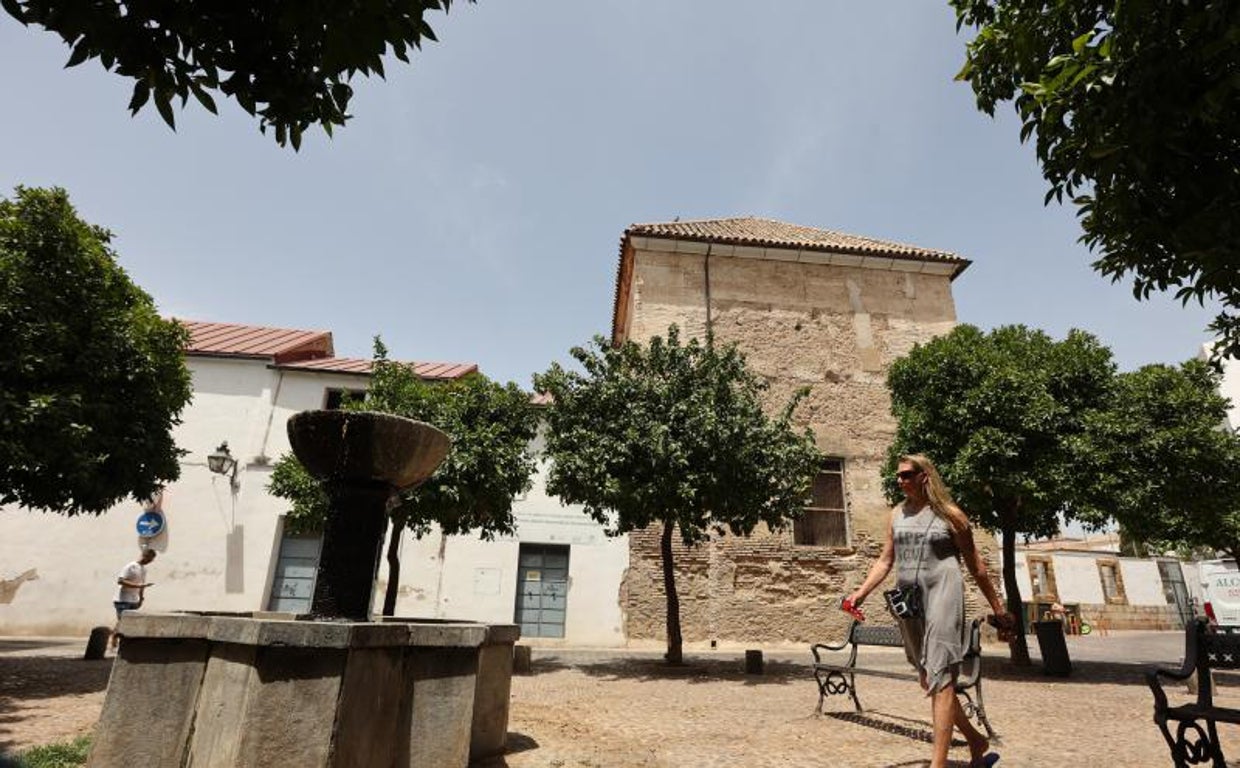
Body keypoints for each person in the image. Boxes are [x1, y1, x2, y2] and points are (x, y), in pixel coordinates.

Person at [846, 454, 1015, 768]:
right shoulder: (896, 514)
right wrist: (860, 593)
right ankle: (976, 740)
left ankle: (938, 764)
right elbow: (886, 560)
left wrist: (998, 608)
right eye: (898, 476)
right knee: (930, 678)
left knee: (942, 676)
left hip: (943, 595)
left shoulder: (951, 515)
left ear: (925, 476)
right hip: (910, 601)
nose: (900, 480)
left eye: (907, 475)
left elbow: (977, 567)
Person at [110, 549, 156, 650]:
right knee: (123, 621)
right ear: (144, 555)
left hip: (133, 600)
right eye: (149, 558)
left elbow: (142, 584)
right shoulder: (131, 566)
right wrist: (138, 585)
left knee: (127, 622)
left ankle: (117, 638)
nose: (150, 561)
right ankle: (115, 640)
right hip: (122, 599)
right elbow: (120, 581)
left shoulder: (144, 569)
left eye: (152, 559)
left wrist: (141, 598)